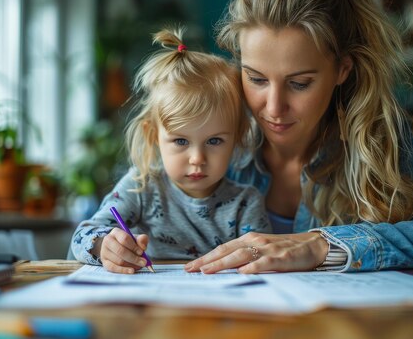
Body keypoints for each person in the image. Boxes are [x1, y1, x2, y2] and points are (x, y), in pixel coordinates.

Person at [185, 0, 413, 274]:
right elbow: (141, 200)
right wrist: (133, 241)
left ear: (342, 69)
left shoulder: (378, 138)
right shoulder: (208, 129)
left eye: (299, 83)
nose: (274, 107)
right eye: (256, 79)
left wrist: (323, 245)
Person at [71, 27, 271, 274]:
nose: (197, 159)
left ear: (237, 138)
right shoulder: (141, 186)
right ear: (153, 135)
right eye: (181, 142)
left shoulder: (246, 203)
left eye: (214, 141)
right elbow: (81, 237)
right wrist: (104, 245)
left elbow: (264, 262)